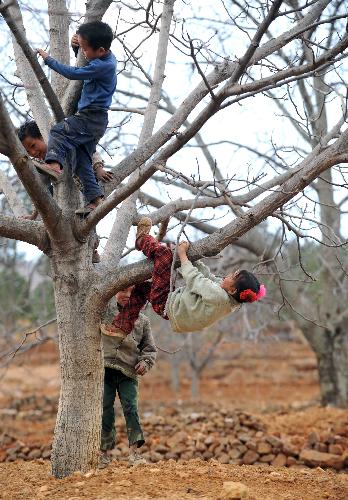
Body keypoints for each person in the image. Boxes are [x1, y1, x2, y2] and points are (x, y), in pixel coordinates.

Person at [105, 217, 266, 337]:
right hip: (171, 307)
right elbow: (206, 276)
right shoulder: (226, 298)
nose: (228, 274)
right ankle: (123, 325)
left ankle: (142, 240)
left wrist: (182, 255)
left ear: (232, 290)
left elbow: (196, 280)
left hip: (167, 304)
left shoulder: (219, 297)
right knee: (141, 289)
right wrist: (192, 259)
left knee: (163, 254)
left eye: (233, 276)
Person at [36, 20, 117, 214]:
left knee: (59, 131)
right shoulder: (104, 58)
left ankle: (54, 166)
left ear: (101, 50)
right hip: (96, 120)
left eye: (85, 49)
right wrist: (76, 48)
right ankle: (96, 200)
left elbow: (75, 73)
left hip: (91, 118)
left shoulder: (104, 66)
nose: (84, 53)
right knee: (82, 160)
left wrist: (49, 60)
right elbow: (88, 64)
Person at [99, 287, 157, 468]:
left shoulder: (142, 321)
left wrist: (145, 363)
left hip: (128, 373)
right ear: (116, 290)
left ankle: (135, 453)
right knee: (105, 409)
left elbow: (149, 349)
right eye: (123, 290)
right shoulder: (105, 312)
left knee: (131, 409)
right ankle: (104, 454)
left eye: (133, 292)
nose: (128, 295)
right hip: (105, 370)